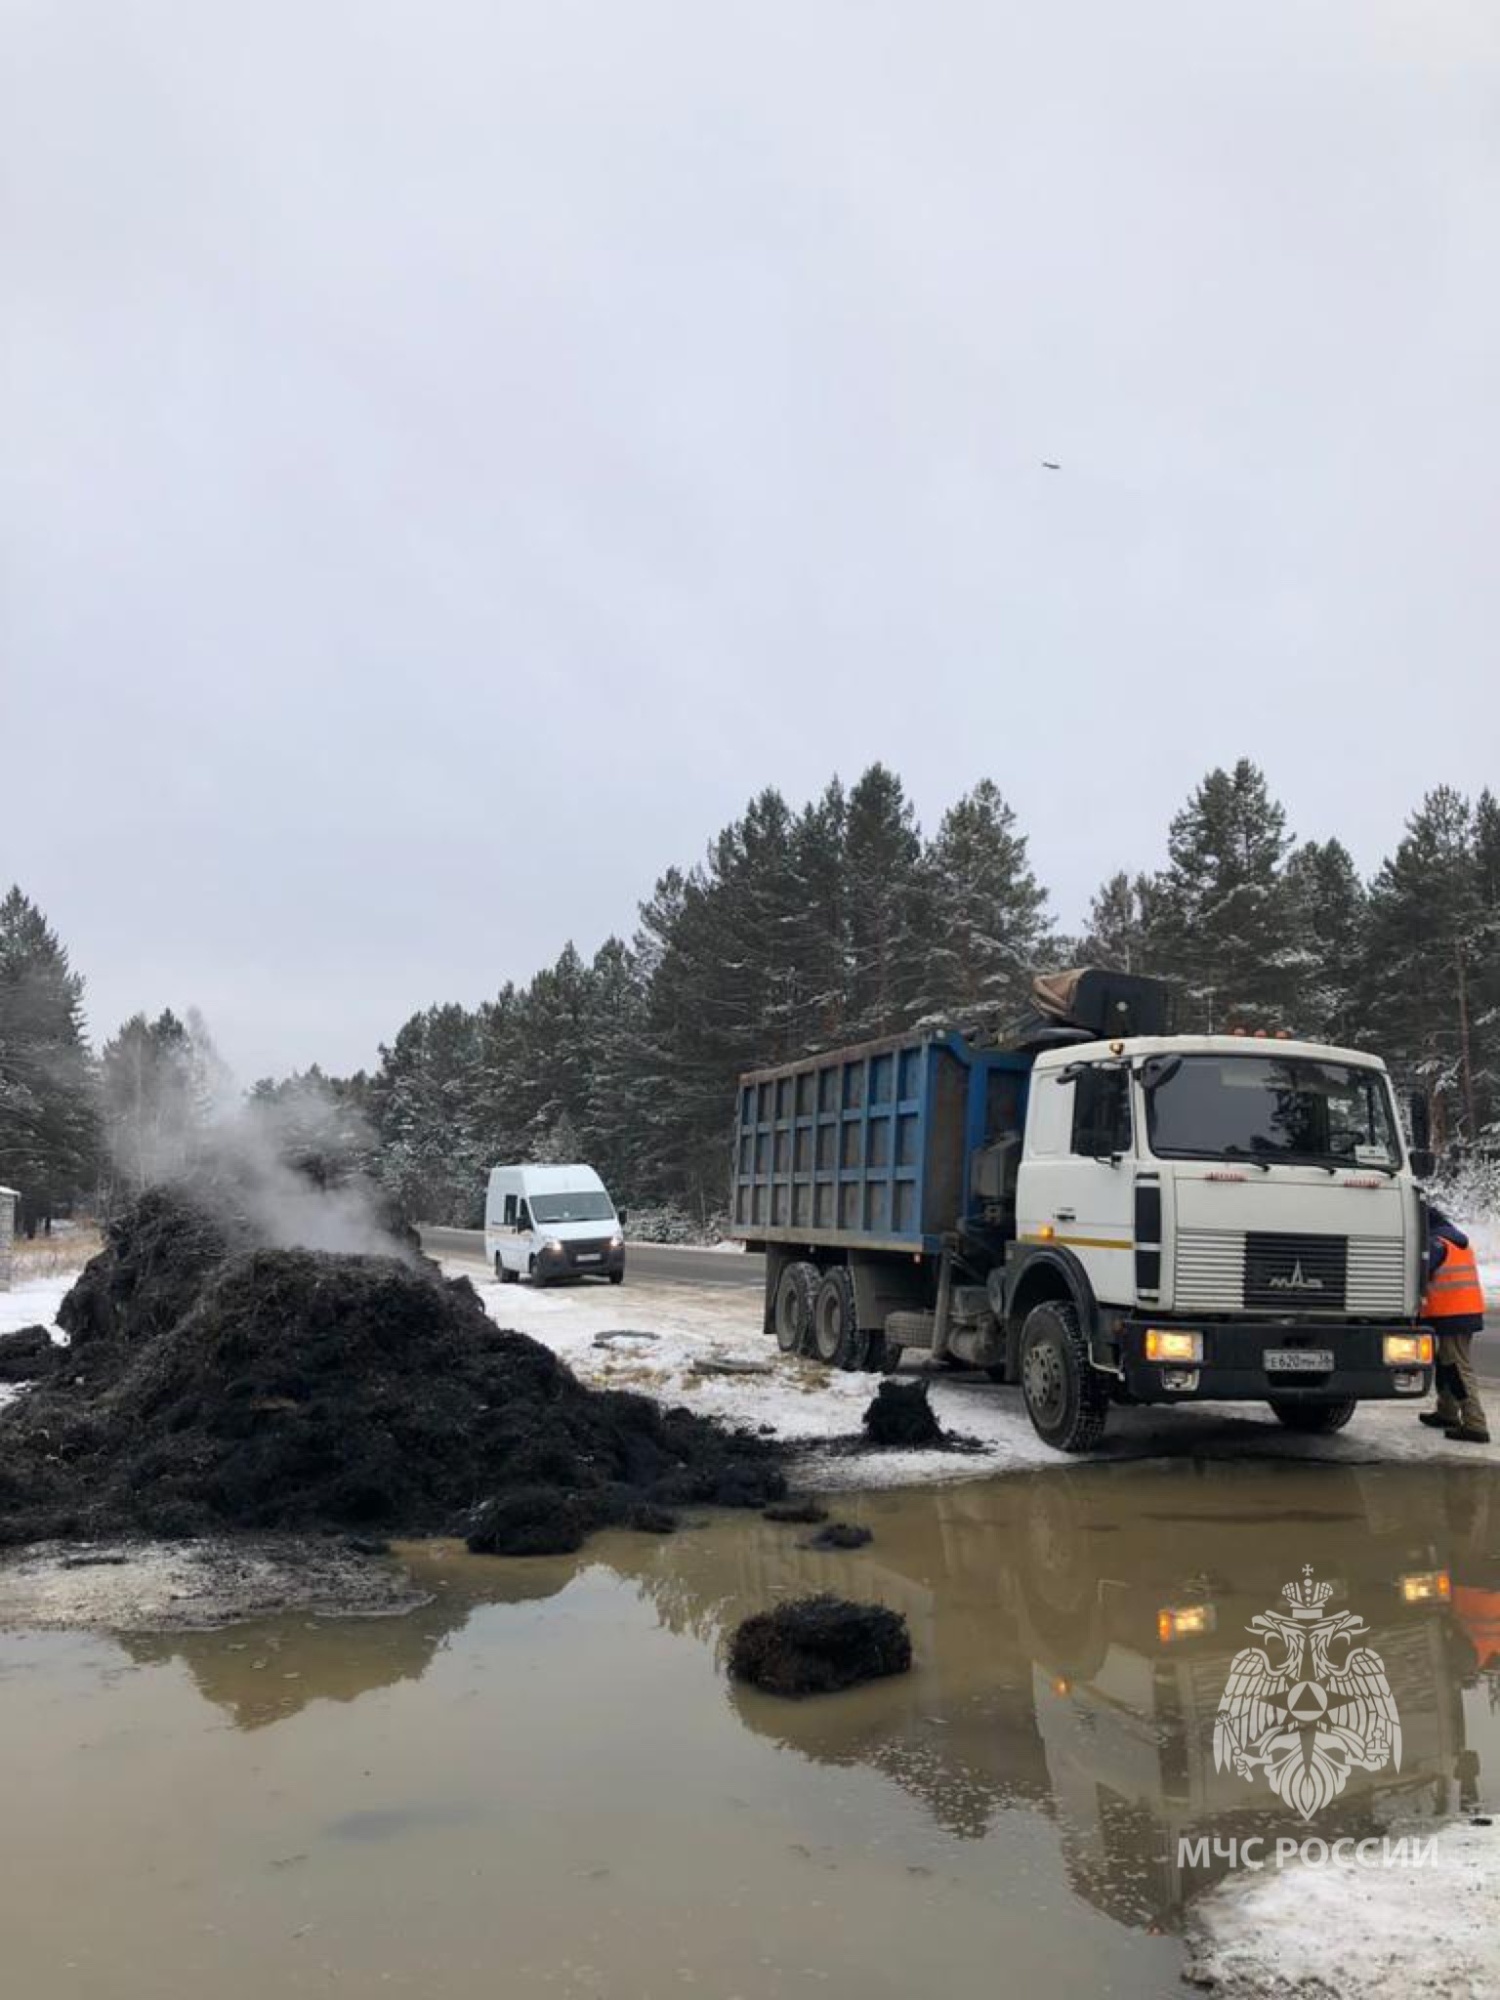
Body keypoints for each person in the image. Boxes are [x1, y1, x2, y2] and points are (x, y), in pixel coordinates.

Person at [1418, 1207, 1489, 1445]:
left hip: (1453, 1313)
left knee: (1457, 1367)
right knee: (1447, 1362)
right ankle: (1447, 1412)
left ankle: (1475, 1424)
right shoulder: (1455, 1241)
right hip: (1461, 1312)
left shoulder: (1437, 1243)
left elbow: (1420, 1273)